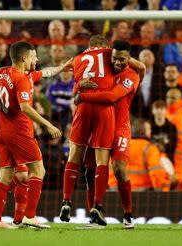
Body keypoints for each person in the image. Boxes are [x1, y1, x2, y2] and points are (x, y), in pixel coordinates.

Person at [0, 41, 63, 229]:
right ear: (24, 58)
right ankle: (30, 216)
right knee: (38, 171)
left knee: (6, 175)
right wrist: (47, 124)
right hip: (19, 130)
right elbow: (25, 107)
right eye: (34, 56)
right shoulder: (22, 79)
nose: (36, 59)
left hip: (1, 131)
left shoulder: (1, 72)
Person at [74, 40, 146, 228]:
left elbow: (112, 96)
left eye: (122, 59)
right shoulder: (104, 69)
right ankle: (96, 215)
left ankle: (128, 214)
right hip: (99, 125)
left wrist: (82, 97)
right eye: (114, 58)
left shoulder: (131, 75)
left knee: (120, 170)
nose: (117, 63)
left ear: (129, 59)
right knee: (91, 171)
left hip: (120, 128)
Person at [59, 35, 116, 225]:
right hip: (104, 107)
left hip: (83, 106)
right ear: (103, 46)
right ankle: (97, 207)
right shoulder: (110, 53)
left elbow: (74, 87)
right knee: (102, 160)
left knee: (74, 154)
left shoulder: (77, 59)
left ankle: (66, 201)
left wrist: (77, 85)